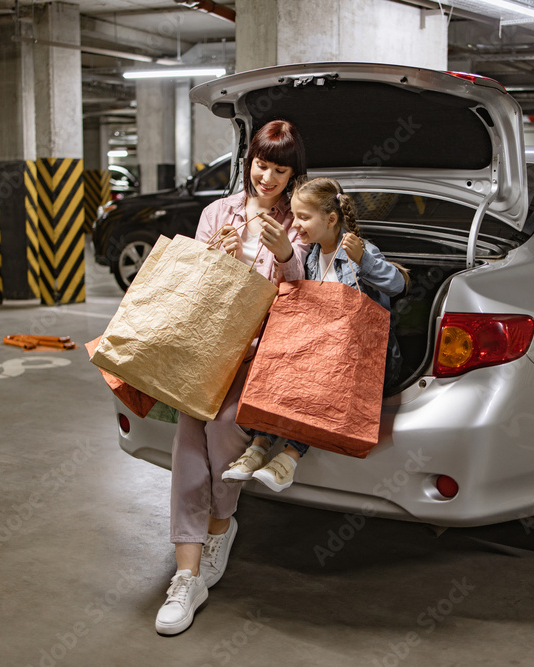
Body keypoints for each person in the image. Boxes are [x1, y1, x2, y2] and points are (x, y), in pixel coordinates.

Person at [155, 120, 309, 636]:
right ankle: (186, 574)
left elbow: (306, 293)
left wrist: (286, 254)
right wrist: (211, 253)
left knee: (223, 432)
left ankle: (221, 527)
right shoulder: (215, 213)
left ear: (292, 175)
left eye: (279, 170)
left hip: (261, 355)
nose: (266, 177)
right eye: (261, 164)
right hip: (206, 349)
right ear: (248, 161)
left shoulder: (297, 222)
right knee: (186, 448)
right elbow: (191, 283)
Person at [222, 176, 408, 493]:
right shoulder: (311, 256)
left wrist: (364, 260)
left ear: (331, 219)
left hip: (361, 357)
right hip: (325, 347)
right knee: (281, 365)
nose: (296, 224)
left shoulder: (360, 252)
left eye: (303, 217)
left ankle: (290, 457)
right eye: (294, 215)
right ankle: (260, 444)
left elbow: (397, 285)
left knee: (317, 378)